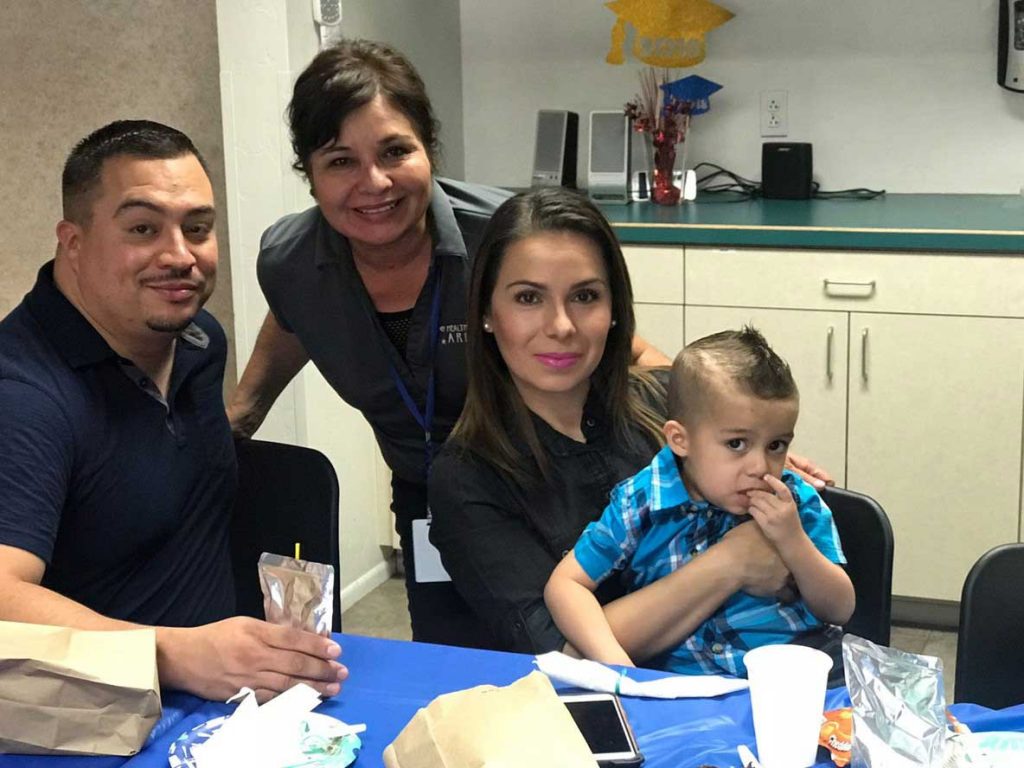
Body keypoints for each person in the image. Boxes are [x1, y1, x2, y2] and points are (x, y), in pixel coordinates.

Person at [225, 38, 672, 647]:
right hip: (426, 487)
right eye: (340, 161)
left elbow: (621, 347)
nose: (374, 183)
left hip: (538, 481)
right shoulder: (290, 261)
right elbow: (294, 316)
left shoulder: (501, 236)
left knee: (568, 648)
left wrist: (716, 437)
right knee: (453, 658)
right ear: (310, 175)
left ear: (428, 149)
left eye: (394, 151)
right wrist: (242, 412)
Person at [0, 120, 347, 703]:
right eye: (143, 228)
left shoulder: (196, 342)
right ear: (73, 242)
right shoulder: (25, 394)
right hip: (94, 717)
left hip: (226, 704)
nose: (180, 255)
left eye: (198, 228)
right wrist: (175, 654)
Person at [428, 188, 832, 659]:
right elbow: (563, 650)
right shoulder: (466, 478)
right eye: (528, 297)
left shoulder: (671, 402)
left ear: (615, 310)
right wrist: (732, 564)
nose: (561, 325)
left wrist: (759, 461)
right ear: (486, 313)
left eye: (584, 296)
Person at [544, 327, 855, 678]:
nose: (759, 467)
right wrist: (618, 668)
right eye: (737, 444)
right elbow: (566, 585)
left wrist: (794, 542)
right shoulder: (642, 500)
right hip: (687, 685)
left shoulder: (793, 500)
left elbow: (839, 608)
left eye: (776, 445)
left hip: (794, 676)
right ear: (680, 439)